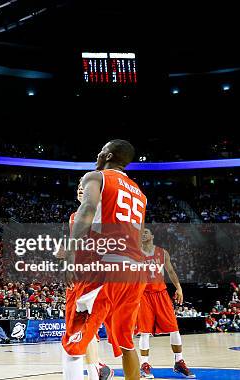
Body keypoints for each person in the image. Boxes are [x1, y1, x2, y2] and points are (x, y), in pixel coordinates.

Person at [62, 140, 147, 380]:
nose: (98, 154)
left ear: (108, 155)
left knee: (73, 339)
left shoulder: (97, 176)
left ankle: (89, 371)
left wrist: (70, 252)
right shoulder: (140, 194)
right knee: (127, 342)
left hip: (108, 265)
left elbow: (87, 209)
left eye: (100, 150)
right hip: (136, 270)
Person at [58, 180, 113, 380]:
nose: (81, 188)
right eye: (78, 187)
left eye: (85, 186)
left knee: (82, 328)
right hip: (78, 277)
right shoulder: (74, 217)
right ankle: (97, 368)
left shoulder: (101, 213)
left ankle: (96, 369)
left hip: (97, 275)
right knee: (81, 329)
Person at [137, 228, 195, 378]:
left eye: (146, 232)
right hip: (143, 294)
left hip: (161, 293)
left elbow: (171, 271)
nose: (143, 234)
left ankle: (179, 361)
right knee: (144, 332)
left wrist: (179, 288)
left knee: (174, 329)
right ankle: (144, 365)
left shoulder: (162, 253)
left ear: (152, 236)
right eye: (141, 232)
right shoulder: (135, 253)